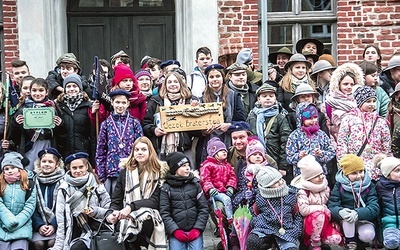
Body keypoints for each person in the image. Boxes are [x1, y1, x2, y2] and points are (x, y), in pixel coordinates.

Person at [106, 136, 168, 250]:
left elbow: (155, 201)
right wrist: (112, 213)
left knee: (146, 218)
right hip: (127, 216)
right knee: (123, 223)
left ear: (150, 151)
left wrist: (131, 207)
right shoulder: (125, 172)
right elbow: (116, 200)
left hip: (151, 216)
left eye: (143, 150)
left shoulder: (159, 172)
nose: (140, 152)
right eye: (137, 150)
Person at [50, 152, 111, 250]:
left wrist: (95, 211)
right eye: (74, 168)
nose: (78, 171)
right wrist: (58, 245)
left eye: (81, 167)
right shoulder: (64, 188)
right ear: (69, 168)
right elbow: (61, 219)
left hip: (96, 230)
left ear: (87, 166)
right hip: (73, 230)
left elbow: (108, 209)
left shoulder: (97, 184)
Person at [337, 85, 392, 181]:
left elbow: (386, 146)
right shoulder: (349, 119)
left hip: (376, 169)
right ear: (359, 102)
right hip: (355, 168)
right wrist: (344, 164)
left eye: (374, 101)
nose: (372, 104)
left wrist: (385, 164)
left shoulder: (380, 121)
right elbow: (342, 143)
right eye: (368, 101)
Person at [142, 71, 198, 162]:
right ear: (165, 85)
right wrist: (154, 130)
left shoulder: (191, 101)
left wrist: (195, 109)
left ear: (181, 84)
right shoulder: (156, 101)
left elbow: (197, 128)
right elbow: (145, 123)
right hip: (162, 149)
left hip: (184, 148)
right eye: (169, 82)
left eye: (175, 82)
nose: (173, 84)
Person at [96, 89, 143, 195]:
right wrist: (101, 175)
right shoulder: (106, 124)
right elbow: (100, 150)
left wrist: (140, 168)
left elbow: (141, 147)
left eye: (123, 102)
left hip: (131, 169)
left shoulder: (134, 123)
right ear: (112, 103)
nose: (120, 106)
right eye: (117, 102)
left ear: (128, 104)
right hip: (112, 170)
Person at [327, 154, 379, 250]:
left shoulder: (369, 185)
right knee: (347, 218)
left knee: (368, 234)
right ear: (346, 174)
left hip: (364, 219)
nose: (359, 176)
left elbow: (374, 208)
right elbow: (332, 205)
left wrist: (358, 213)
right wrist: (340, 212)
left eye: (361, 171)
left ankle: (362, 242)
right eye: (354, 173)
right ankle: (350, 242)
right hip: (346, 222)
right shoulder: (339, 186)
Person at [10, 78, 63, 171]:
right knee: (29, 171)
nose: (37, 93)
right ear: (30, 92)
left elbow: (62, 133)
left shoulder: (53, 107)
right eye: (34, 90)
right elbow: (14, 136)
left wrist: (60, 124)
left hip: (48, 144)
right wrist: (16, 123)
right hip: (29, 146)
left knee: (47, 171)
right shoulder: (23, 108)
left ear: (46, 92)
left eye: (41, 90)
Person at [291, 155, 342, 249]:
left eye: (321, 174)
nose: (320, 178)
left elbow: (331, 204)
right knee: (319, 215)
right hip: (307, 224)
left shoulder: (325, 187)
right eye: (316, 176)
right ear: (308, 178)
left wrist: (334, 220)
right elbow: (304, 210)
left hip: (325, 221)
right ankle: (314, 243)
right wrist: (322, 209)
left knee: (336, 239)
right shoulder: (302, 191)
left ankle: (323, 240)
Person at [246, 165, 302, 250]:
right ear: (266, 185)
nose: (280, 183)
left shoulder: (290, 195)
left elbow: (297, 214)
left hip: (286, 229)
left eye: (280, 179)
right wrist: (257, 222)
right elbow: (253, 212)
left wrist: (296, 229)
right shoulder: (260, 197)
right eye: (275, 182)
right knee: (252, 241)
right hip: (264, 228)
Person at [160, 152, 209, 250]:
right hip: (176, 232)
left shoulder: (195, 185)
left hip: (194, 230)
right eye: (183, 166)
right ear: (174, 169)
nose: (187, 168)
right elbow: (164, 212)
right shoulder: (166, 188)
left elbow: (203, 208)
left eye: (188, 165)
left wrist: (197, 229)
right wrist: (174, 230)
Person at [246, 83, 291, 180]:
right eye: (264, 96)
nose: (268, 98)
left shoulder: (280, 117)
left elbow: (286, 141)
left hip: (274, 158)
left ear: (275, 98)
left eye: (271, 96)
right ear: (259, 99)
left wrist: (283, 166)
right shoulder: (252, 116)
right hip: (256, 158)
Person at [286, 102, 335, 179]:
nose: (313, 121)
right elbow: (289, 157)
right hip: (301, 176)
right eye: (309, 118)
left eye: (315, 117)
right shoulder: (294, 136)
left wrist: (321, 154)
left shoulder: (321, 134)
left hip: (320, 176)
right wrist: (299, 156)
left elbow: (331, 152)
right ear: (301, 119)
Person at [55, 74, 96, 164]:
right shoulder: (58, 106)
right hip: (64, 151)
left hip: (83, 152)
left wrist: (93, 161)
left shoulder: (88, 106)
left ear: (80, 88)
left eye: (75, 86)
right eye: (68, 86)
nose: (72, 89)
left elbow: (92, 136)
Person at [0, 152, 36, 250]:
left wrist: (16, 222)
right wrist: (8, 220)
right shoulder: (1, 184)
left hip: (22, 227)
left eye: (13, 168)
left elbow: (30, 206)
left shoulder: (30, 184)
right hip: (2, 226)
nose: (10, 171)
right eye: (6, 169)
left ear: (20, 168)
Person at [31, 148, 65, 250]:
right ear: (39, 163)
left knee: (52, 243)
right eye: (44, 161)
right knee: (38, 244)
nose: (46, 164)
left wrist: (53, 225)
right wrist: (39, 225)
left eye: (50, 162)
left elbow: (64, 208)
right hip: (39, 223)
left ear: (57, 164)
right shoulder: (34, 181)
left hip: (58, 223)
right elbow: (32, 206)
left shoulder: (63, 181)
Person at [200, 137, 237, 223]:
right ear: (214, 153)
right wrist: (210, 189)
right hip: (215, 192)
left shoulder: (227, 165)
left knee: (232, 201)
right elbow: (205, 179)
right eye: (220, 151)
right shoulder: (207, 165)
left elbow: (233, 177)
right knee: (224, 202)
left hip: (225, 191)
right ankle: (230, 219)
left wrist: (231, 187)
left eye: (224, 150)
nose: (224, 152)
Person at [324, 62, 363, 144]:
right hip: (337, 142)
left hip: (358, 142)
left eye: (352, 84)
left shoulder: (360, 102)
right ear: (338, 84)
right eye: (345, 84)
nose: (349, 87)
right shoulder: (329, 103)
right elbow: (326, 128)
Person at [375, 155, 400, 249]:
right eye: (397, 171)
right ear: (387, 174)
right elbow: (377, 206)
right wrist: (379, 222)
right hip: (389, 222)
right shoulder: (379, 187)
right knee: (391, 242)